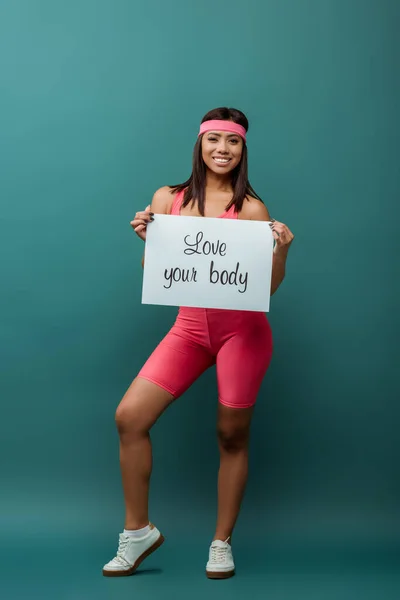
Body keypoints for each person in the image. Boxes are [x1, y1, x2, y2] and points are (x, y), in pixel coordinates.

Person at [102, 107, 294, 579]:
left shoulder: (251, 208)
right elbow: (161, 277)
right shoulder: (168, 199)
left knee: (231, 434)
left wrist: (281, 251)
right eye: (214, 140)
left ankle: (221, 541)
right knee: (129, 417)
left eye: (232, 143)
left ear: (243, 149)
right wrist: (149, 239)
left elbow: (261, 290)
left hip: (241, 332)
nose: (222, 150)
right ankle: (137, 532)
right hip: (189, 328)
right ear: (200, 144)